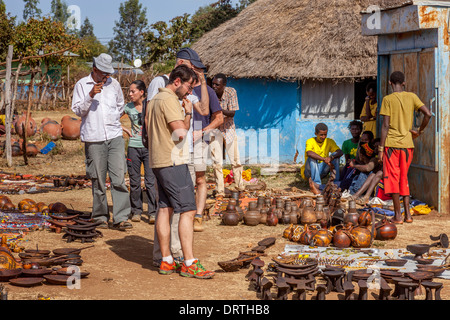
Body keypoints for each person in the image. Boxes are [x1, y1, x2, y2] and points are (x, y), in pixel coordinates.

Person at [146, 64, 214, 279]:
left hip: (158, 160)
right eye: (188, 86)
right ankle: (189, 262)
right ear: (177, 81)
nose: (189, 91)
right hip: (173, 161)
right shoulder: (169, 100)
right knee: (187, 210)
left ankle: (166, 260)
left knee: (164, 208)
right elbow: (181, 134)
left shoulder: (155, 99)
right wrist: (186, 113)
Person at [71, 53, 132, 231]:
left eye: (108, 74)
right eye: (103, 73)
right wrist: (90, 95)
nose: (106, 77)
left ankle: (121, 217)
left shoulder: (114, 85)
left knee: (119, 177)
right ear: (95, 69)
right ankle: (100, 216)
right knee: (97, 178)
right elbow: (77, 110)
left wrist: (114, 120)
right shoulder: (82, 85)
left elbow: (120, 105)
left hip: (114, 136)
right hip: (94, 137)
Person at [379, 71, 432, 224]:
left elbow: (385, 125)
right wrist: (420, 130)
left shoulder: (387, 99)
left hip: (391, 146)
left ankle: (398, 216)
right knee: (404, 178)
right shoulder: (412, 97)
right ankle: (408, 215)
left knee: (393, 179)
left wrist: (381, 149)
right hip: (408, 145)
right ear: (403, 83)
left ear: (390, 83)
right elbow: (428, 114)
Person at [190, 69, 223, 232]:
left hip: (198, 142)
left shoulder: (208, 91)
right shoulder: (179, 90)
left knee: (200, 179)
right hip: (178, 140)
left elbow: (219, 118)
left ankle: (198, 216)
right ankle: (184, 214)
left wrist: (202, 132)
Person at [121, 80, 157, 223]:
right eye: (129, 91)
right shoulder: (128, 107)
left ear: (141, 92)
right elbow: (112, 119)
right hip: (133, 148)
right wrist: (123, 128)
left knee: (150, 181)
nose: (130, 94)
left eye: (133, 91)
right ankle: (136, 211)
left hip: (149, 148)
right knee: (134, 181)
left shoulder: (151, 105)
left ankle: (153, 212)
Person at [210, 73, 244, 198]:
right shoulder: (210, 93)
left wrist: (217, 110)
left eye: (217, 85)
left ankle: (240, 186)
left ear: (224, 85)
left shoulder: (231, 92)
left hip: (228, 128)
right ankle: (220, 191)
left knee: (235, 160)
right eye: (213, 83)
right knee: (216, 163)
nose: (214, 87)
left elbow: (232, 113)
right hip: (214, 129)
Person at [301, 123, 343, 193]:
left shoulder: (329, 141)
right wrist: (324, 159)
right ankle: (317, 184)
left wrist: (331, 157)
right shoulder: (310, 141)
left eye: (325, 134)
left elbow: (340, 152)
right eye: (321, 135)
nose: (323, 137)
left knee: (336, 155)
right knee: (312, 157)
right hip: (309, 171)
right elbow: (309, 153)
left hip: (322, 171)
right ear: (315, 133)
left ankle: (336, 183)